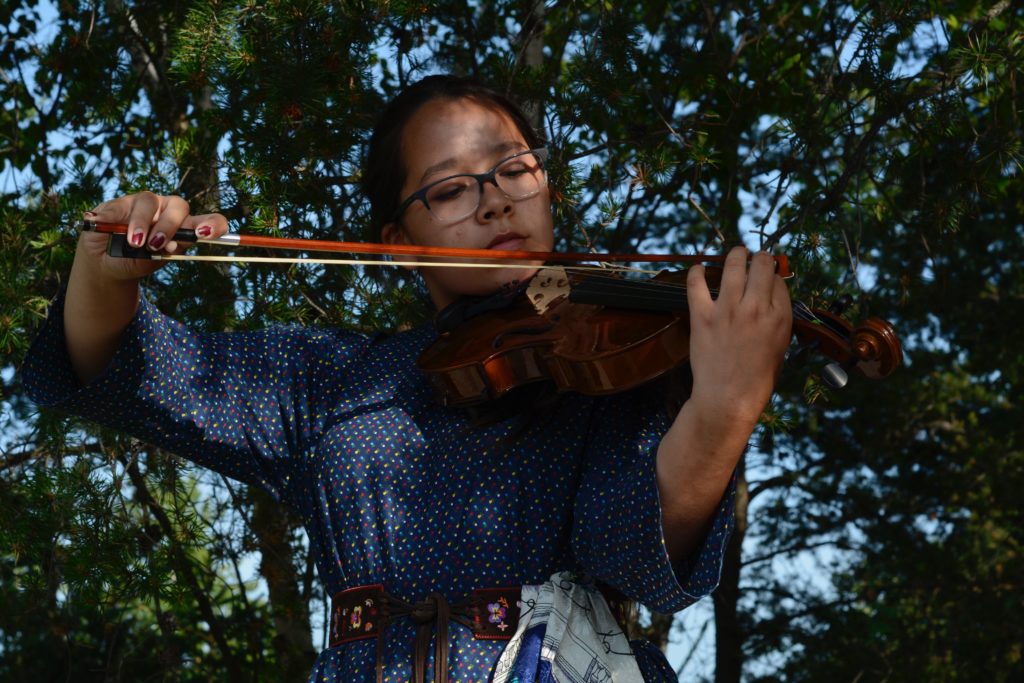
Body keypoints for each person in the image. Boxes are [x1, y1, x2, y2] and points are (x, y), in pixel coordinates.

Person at [22, 75, 792, 682]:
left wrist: (723, 405)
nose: (495, 200)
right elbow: (126, 367)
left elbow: (633, 555)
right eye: (451, 189)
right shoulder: (329, 378)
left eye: (515, 169)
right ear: (399, 243)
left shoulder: (607, 366)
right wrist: (106, 271)